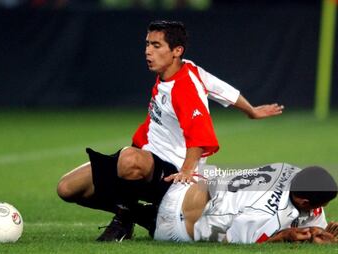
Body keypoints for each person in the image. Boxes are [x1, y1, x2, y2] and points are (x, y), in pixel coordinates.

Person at [56, 20, 284, 242]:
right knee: (66, 188)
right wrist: (251, 110)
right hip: (147, 158)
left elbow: (200, 133)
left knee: (129, 159)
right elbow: (223, 90)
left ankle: (123, 219)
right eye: (147, 44)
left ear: (176, 51)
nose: (148, 52)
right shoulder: (187, 68)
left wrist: (186, 171)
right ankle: (145, 215)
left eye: (156, 46)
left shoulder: (184, 87)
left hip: (169, 171)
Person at [154, 163, 338, 243]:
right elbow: (233, 242)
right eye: (323, 204)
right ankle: (140, 214)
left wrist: (320, 231)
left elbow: (311, 217)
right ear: (305, 202)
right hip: (174, 224)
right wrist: (283, 236)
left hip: (188, 183)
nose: (322, 209)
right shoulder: (268, 215)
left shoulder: (291, 171)